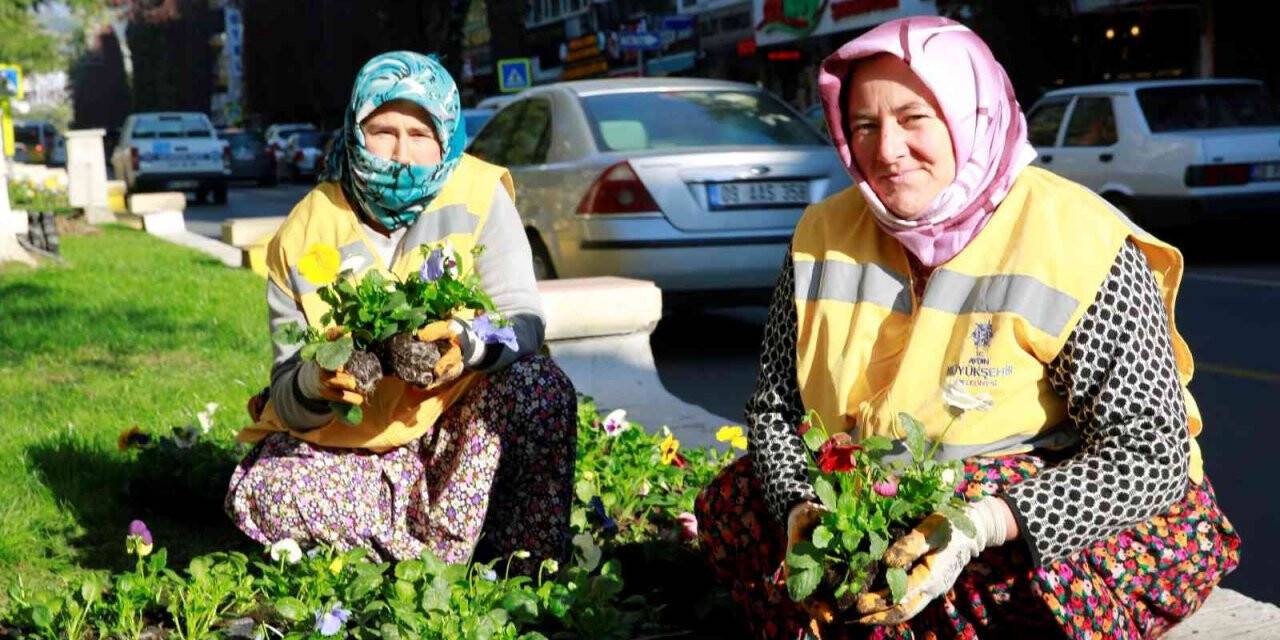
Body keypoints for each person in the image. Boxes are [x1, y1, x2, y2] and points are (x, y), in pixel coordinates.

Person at [695, 17, 1239, 639]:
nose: (886, 150)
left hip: (1045, 503)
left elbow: (1150, 455)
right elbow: (774, 410)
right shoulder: (821, 233)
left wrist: (979, 524)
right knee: (737, 503)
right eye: (863, 125)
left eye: (913, 118)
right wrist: (802, 507)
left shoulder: (1078, 237)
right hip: (876, 492)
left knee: (989, 565)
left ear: (971, 116)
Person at [225, 52, 576, 573]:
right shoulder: (303, 230)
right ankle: (436, 560)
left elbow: (524, 320)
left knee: (540, 387)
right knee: (266, 492)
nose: (401, 153)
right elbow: (284, 392)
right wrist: (318, 384)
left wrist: (467, 346)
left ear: (446, 139)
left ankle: (522, 567)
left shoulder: (479, 193)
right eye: (382, 130)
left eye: (420, 134)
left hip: (455, 442)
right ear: (353, 130)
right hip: (350, 452)